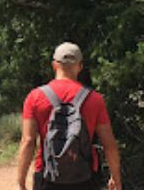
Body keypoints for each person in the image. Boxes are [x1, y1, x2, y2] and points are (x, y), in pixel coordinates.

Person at [16, 42, 122, 190]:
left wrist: (21, 181)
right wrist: (116, 177)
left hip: (47, 177)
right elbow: (109, 144)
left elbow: (28, 141)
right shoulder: (95, 99)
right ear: (80, 66)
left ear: (54, 65)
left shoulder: (35, 97)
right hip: (85, 178)